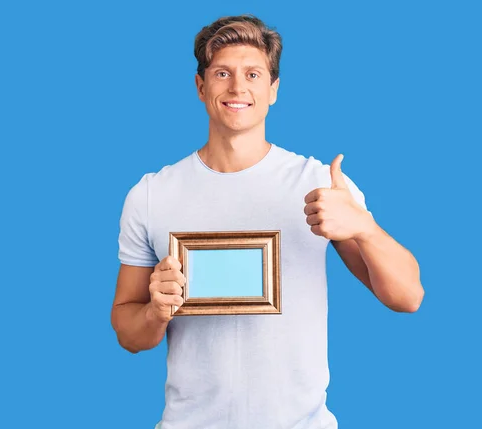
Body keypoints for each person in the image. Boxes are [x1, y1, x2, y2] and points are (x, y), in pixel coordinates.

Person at [111, 14, 424, 429]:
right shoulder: (151, 194)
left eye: (253, 74)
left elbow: (408, 298)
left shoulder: (319, 184)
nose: (238, 87)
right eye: (222, 73)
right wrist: (155, 312)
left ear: (273, 90)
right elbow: (128, 332)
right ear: (201, 86)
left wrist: (363, 227)